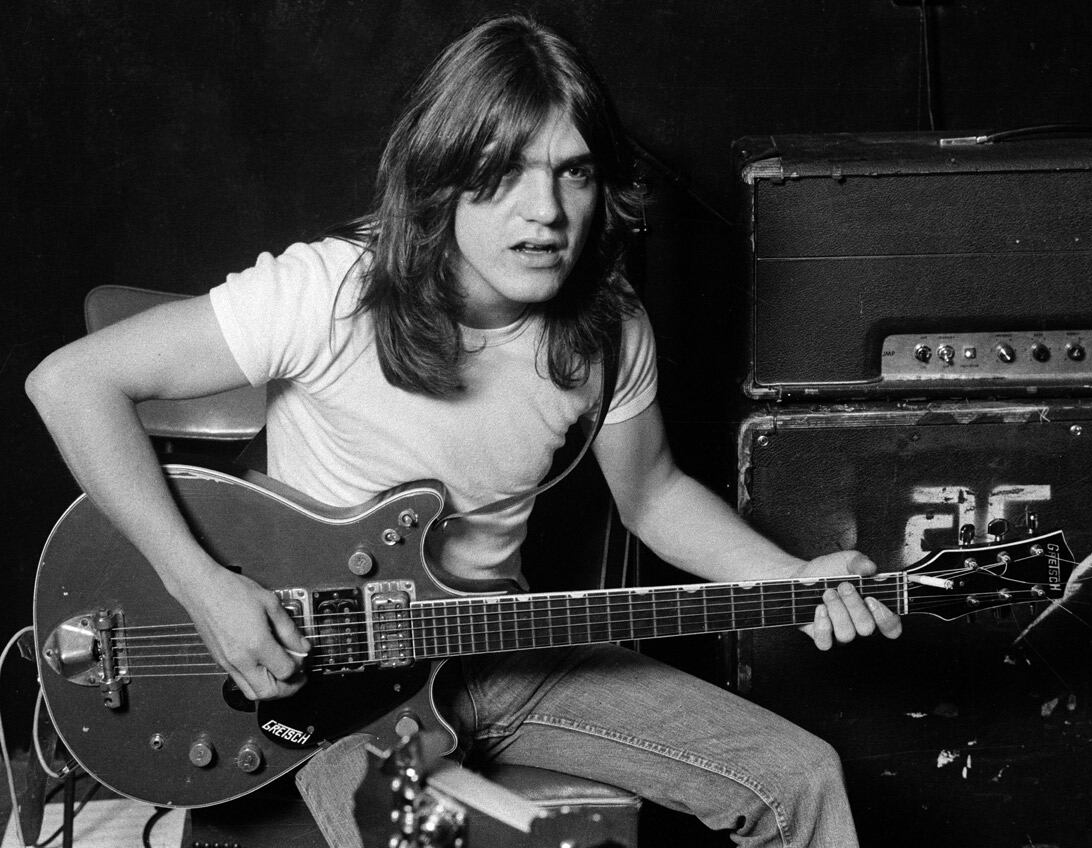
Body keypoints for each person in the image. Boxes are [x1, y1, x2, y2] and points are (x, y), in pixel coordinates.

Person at [26, 14, 901, 848]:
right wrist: (204, 589)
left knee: (800, 776)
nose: (546, 211)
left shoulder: (608, 327)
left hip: (501, 650)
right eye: (506, 171)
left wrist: (795, 578)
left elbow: (655, 495)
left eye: (574, 173)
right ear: (442, 177)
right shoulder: (330, 293)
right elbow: (70, 383)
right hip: (339, 694)